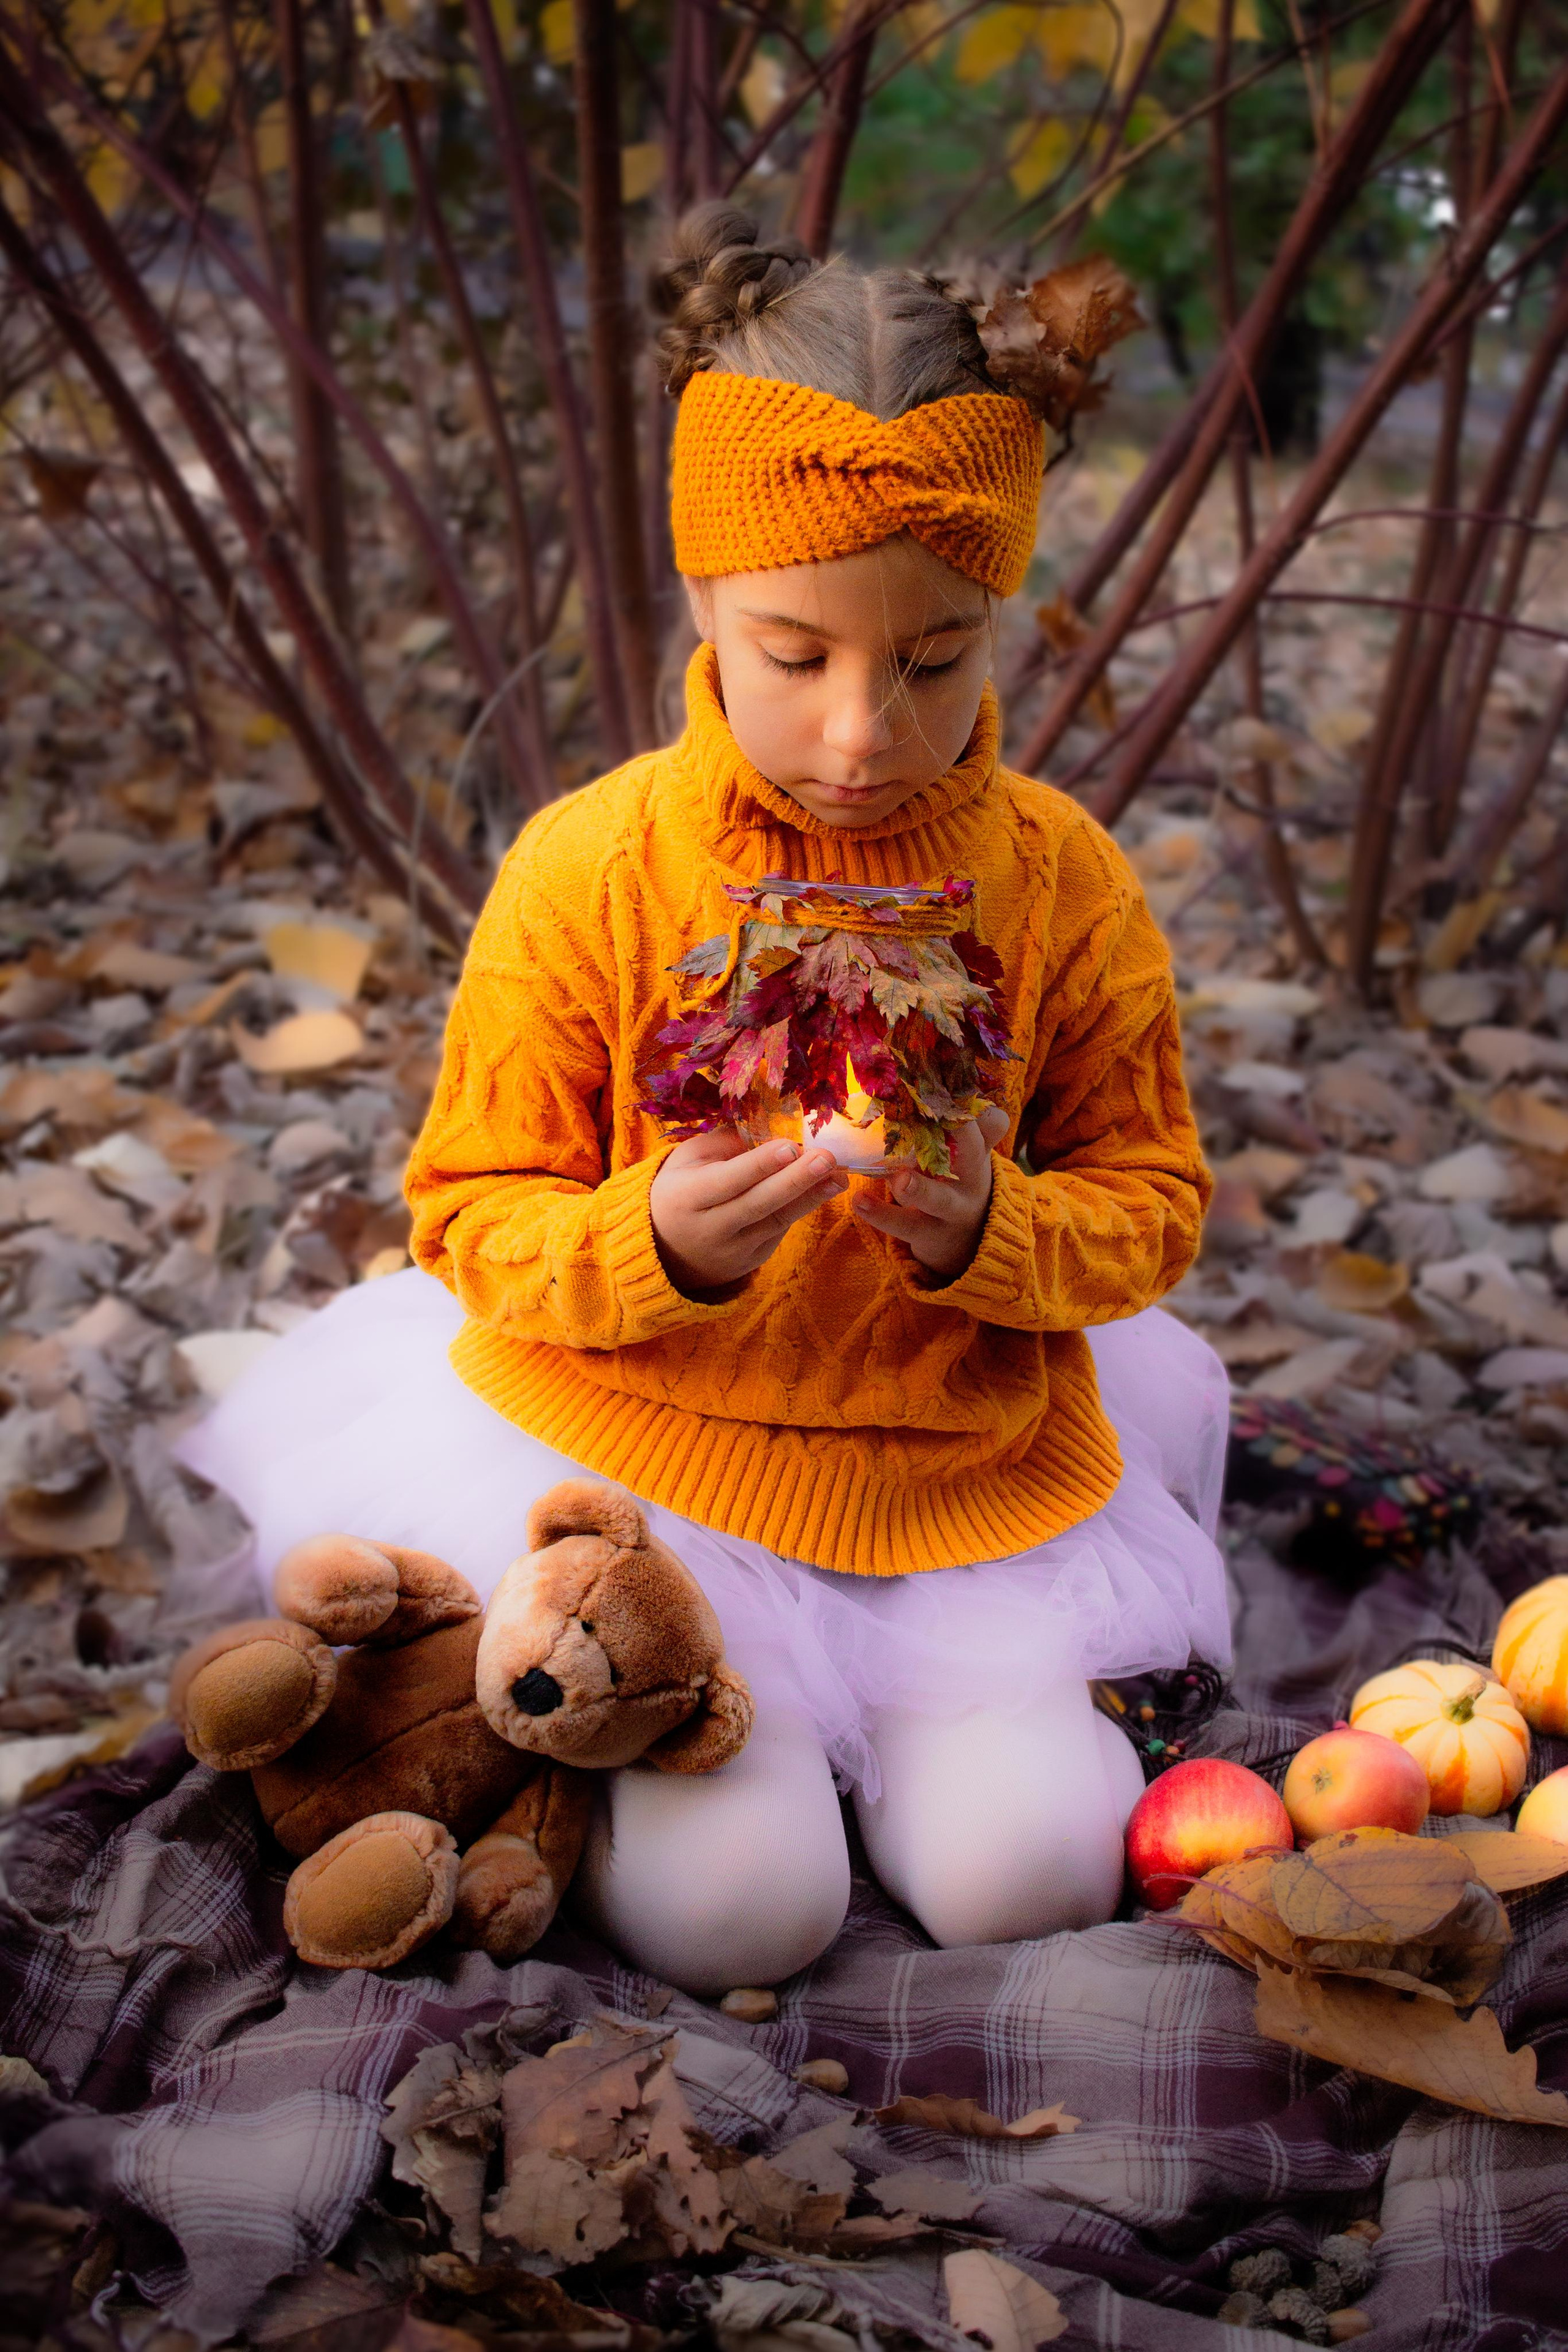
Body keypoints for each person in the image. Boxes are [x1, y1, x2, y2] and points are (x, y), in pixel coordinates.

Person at [184, 205, 1230, 1997]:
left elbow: (1155, 1199)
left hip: (951, 1476)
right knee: (738, 1916)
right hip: (640, 1466)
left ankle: (917, 1750)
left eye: (935, 658)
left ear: (999, 623)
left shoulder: (1062, 884)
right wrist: (653, 1240)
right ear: (700, 603)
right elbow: (470, 1209)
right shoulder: (591, 868)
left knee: (1032, 1877)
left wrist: (997, 1228)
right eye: (794, 652)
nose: (858, 734)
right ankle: (630, 1767)